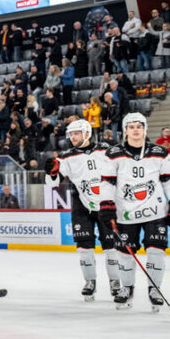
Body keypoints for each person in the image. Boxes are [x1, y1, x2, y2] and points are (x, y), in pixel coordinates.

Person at [101, 113, 170, 311]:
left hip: (155, 211)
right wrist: (106, 204)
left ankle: (154, 289)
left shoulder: (160, 152)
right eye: (131, 127)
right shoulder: (112, 153)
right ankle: (127, 288)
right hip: (125, 212)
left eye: (139, 126)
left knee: (156, 251)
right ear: (125, 130)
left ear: (145, 129)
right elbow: (107, 182)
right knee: (125, 253)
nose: (136, 130)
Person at [45, 119, 119, 301]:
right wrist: (51, 173)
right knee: (84, 247)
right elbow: (52, 183)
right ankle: (90, 281)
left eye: (76, 133)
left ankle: (115, 282)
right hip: (81, 205)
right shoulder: (66, 156)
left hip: (106, 205)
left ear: (87, 133)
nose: (73, 137)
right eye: (71, 134)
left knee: (112, 247)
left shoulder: (106, 150)